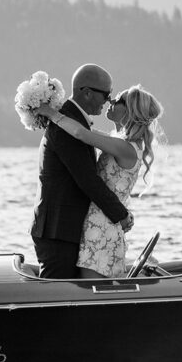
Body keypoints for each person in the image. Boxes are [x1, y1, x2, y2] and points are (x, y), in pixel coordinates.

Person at [37, 84, 165, 278]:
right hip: (98, 223)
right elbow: (85, 131)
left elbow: (82, 134)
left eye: (118, 100)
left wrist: (51, 114)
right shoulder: (120, 143)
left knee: (90, 291)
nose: (111, 101)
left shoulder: (125, 148)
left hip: (101, 228)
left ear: (130, 111)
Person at [30, 63, 132, 278]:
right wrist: (120, 215)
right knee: (56, 299)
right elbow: (86, 179)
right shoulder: (68, 125)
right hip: (58, 230)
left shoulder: (71, 120)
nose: (108, 100)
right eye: (106, 94)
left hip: (66, 228)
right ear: (86, 93)